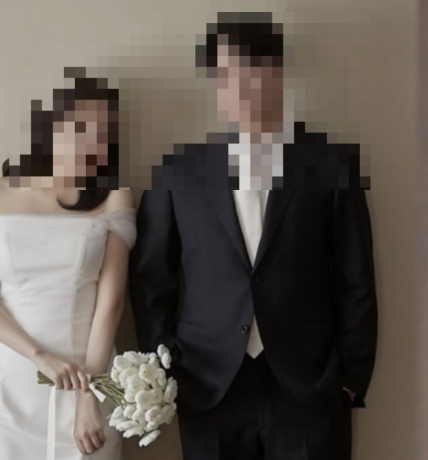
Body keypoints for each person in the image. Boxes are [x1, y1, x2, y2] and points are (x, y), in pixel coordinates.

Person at [129, 12, 377, 460]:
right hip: (207, 383)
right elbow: (151, 281)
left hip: (311, 385)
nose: (240, 86)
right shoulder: (176, 174)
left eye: (252, 70)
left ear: (277, 73)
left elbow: (356, 278)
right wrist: (165, 367)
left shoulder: (333, 166)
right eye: (226, 75)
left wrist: (350, 377)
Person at [0, 70, 135, 460]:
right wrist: (41, 357)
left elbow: (112, 304)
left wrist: (90, 393)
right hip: (6, 387)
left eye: (102, 135)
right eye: (81, 128)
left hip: (88, 381)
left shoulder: (115, 197)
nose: (91, 143)